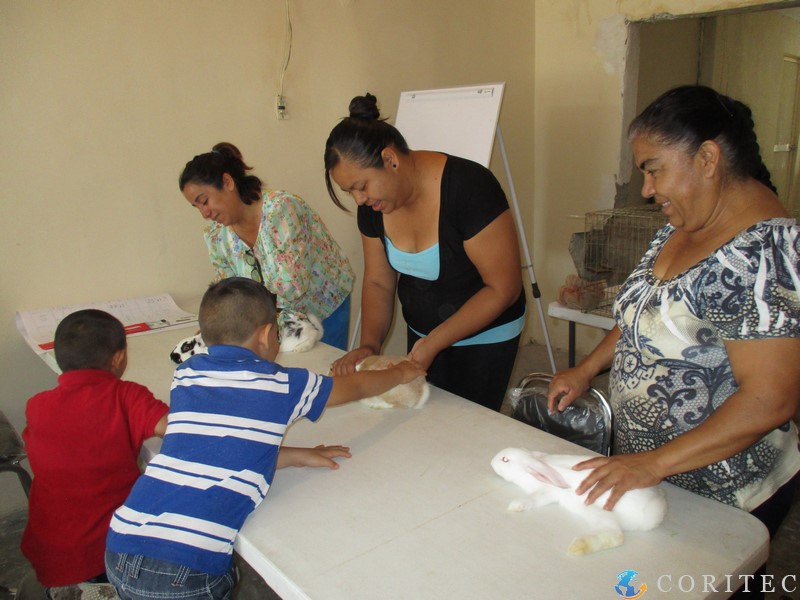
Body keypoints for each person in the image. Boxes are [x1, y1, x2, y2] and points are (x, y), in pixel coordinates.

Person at [546, 85, 800, 571]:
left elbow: (771, 398)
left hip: (726, 490)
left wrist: (653, 463)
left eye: (654, 169)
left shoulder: (764, 254)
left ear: (707, 158)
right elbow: (643, 313)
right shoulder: (682, 224)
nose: (646, 189)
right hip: (658, 477)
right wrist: (586, 369)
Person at [105, 277, 425, 600]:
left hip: (122, 542)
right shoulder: (282, 384)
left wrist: (296, 455)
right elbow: (355, 386)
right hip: (186, 568)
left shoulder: (187, 374)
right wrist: (400, 372)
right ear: (267, 334)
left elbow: (218, 444)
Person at [323, 93, 526, 412]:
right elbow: (378, 282)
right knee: (425, 419)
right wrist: (369, 345)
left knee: (469, 424)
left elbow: (503, 288)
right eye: (350, 192)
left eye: (362, 186)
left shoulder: (470, 188)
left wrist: (434, 342)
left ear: (390, 159)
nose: (359, 199)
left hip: (486, 336)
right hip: (423, 335)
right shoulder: (373, 208)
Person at [21, 309, 170, 597]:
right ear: (118, 358)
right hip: (106, 556)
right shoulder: (126, 396)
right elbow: (174, 427)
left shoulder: (36, 405)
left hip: (49, 554)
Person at [180, 142, 355, 350]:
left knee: (323, 367)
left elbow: (291, 286)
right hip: (272, 321)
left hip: (323, 306)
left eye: (204, 201)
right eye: (196, 207)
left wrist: (251, 321)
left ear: (227, 182)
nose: (204, 213)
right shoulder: (216, 235)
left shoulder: (281, 210)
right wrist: (218, 326)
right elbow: (231, 290)